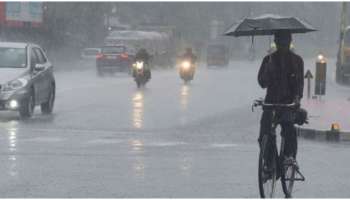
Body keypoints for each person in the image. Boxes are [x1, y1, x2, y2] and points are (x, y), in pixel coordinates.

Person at [258, 31, 304, 166]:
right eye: (279, 43)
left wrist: (296, 99)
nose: (282, 46)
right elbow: (262, 82)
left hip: (288, 104)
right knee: (265, 135)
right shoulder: (268, 60)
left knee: (289, 130)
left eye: (285, 42)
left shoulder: (297, 61)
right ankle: (270, 162)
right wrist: (268, 69)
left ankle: (289, 157)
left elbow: (299, 84)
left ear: (290, 42)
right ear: (275, 43)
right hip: (271, 103)